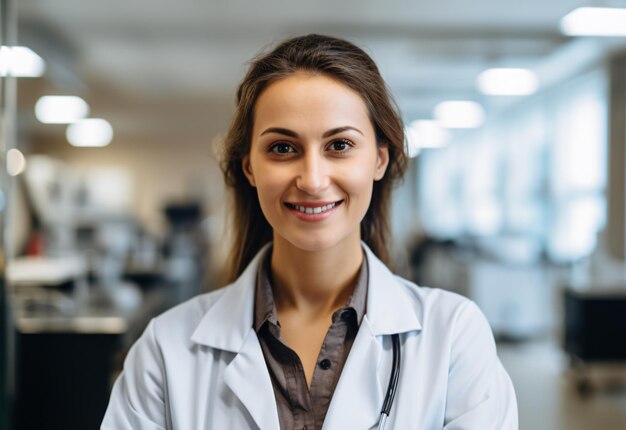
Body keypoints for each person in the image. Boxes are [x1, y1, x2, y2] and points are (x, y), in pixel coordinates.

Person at [101, 34, 518, 430]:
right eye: (283, 148)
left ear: (378, 159)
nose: (313, 180)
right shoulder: (165, 349)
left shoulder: (453, 336)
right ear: (249, 166)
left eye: (339, 146)